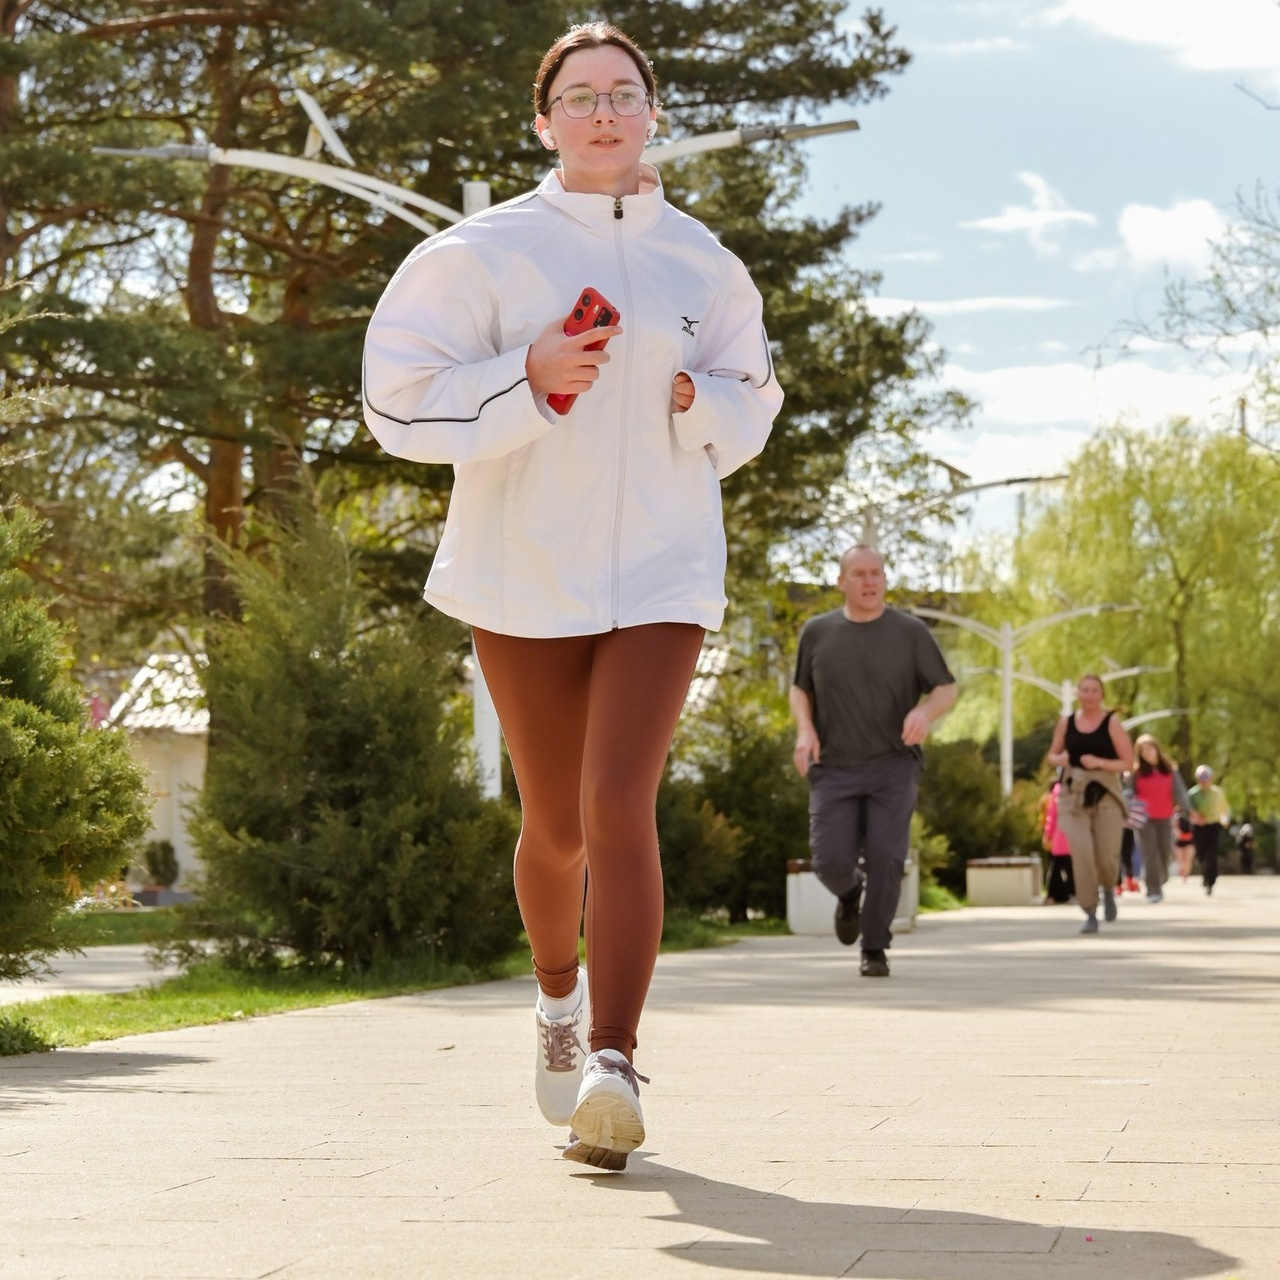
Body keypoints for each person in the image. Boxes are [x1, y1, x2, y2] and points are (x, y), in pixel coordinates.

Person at [361, 21, 782, 1172]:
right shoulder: (479, 253)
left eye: (625, 92)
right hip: (524, 569)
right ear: (542, 123)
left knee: (615, 802)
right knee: (552, 826)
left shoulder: (705, 262)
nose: (604, 111)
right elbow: (394, 401)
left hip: (663, 569)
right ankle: (555, 998)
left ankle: (613, 1057)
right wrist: (525, 376)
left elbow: (753, 400)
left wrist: (703, 397)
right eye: (581, 95)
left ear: (653, 114)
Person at [789, 546, 957, 978]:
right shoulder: (817, 632)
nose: (870, 581)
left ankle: (874, 946)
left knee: (886, 855)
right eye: (860, 574)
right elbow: (800, 689)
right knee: (829, 862)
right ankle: (850, 893)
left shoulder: (910, 632)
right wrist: (805, 730)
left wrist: (924, 713)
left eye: (877, 573)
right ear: (842, 581)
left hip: (893, 764)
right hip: (833, 766)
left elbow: (945, 690)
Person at [1046, 674, 1134, 934]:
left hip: (1105, 793)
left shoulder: (1111, 723)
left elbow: (1128, 762)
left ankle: (1108, 889)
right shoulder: (1067, 723)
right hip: (1074, 795)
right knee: (1082, 853)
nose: (1089, 695)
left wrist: (1100, 763)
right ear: (1077, 693)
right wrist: (1060, 759)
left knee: (1106, 856)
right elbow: (1052, 755)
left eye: (1094, 690)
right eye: (1084, 690)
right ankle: (1090, 911)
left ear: (1101, 694)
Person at [1131, 733, 1188, 903]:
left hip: (1165, 817)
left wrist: (1188, 810)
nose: (1147, 753)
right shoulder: (1136, 773)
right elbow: (1129, 795)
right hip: (1144, 819)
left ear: (1157, 749)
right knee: (1150, 854)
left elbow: (1179, 793)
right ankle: (1153, 889)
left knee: (1165, 852)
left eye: (1150, 748)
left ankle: (1160, 878)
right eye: (1143, 751)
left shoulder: (1170, 770)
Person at [1187, 765, 1230, 895]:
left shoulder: (1217, 792)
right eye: (1201, 778)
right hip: (1198, 827)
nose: (1204, 781)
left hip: (1213, 826)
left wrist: (1225, 819)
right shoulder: (1192, 794)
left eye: (1206, 778)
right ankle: (1205, 875)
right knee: (1201, 855)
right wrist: (1195, 816)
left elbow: (1224, 809)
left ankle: (1211, 880)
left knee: (1212, 854)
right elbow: (1187, 810)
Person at [1041, 774, 1076, 904]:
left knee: (1055, 868)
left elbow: (1051, 816)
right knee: (1071, 868)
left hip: (1059, 837)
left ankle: (1052, 895)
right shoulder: (1076, 789)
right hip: (1072, 837)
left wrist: (1048, 834)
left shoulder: (1056, 793)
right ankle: (1073, 893)